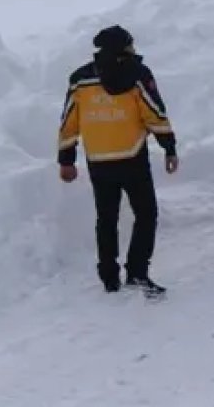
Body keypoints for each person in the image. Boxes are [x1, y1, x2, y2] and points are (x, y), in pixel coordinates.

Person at [57, 25, 179, 295]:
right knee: (146, 215)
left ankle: (109, 278)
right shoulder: (137, 75)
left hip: (98, 160)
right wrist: (169, 147)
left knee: (106, 219)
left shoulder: (80, 80)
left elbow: (68, 122)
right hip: (132, 156)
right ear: (125, 47)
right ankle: (137, 273)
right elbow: (154, 113)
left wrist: (66, 159)